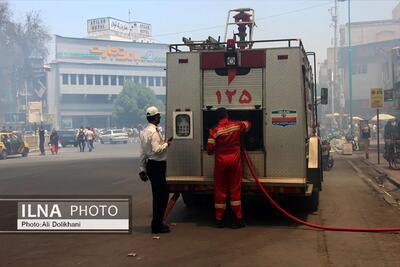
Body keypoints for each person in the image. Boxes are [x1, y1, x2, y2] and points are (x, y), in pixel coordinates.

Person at [206, 107, 251, 229]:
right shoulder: (236, 125)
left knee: (220, 190)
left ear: (217, 117)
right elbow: (248, 125)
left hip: (221, 163)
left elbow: (209, 149)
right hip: (235, 162)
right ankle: (238, 219)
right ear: (227, 115)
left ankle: (220, 219)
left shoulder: (214, 131)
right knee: (235, 190)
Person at [139, 106, 173, 234]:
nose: (160, 117)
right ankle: (157, 225)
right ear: (154, 117)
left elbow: (143, 153)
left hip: (151, 165)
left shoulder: (144, 132)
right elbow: (156, 150)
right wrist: (166, 144)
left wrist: (142, 169)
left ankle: (157, 223)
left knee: (157, 195)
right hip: (157, 165)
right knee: (162, 195)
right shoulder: (153, 132)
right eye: (158, 116)